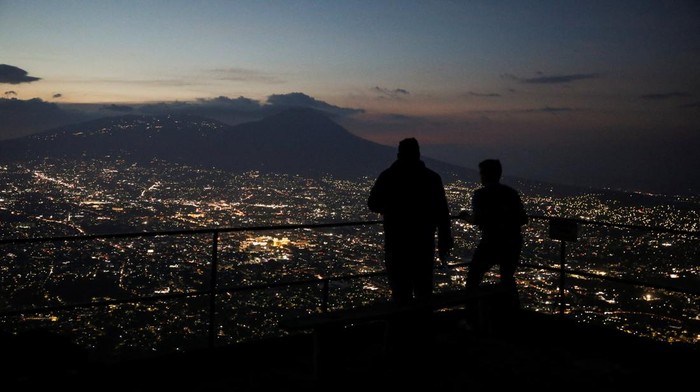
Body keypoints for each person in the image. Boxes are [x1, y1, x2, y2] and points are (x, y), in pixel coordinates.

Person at [368, 137, 454, 304]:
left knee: (400, 292)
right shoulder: (432, 178)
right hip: (424, 243)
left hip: (396, 242)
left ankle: (402, 328)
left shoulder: (388, 176)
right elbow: (443, 213)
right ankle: (423, 327)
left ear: (399, 154)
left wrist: (391, 209)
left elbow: (373, 203)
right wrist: (444, 241)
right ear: (418, 154)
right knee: (424, 290)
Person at [458, 159, 528, 300]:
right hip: (512, 242)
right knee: (506, 279)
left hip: (491, 242)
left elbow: (477, 219)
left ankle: (474, 315)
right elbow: (524, 219)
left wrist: (465, 216)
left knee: (473, 278)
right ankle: (509, 312)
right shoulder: (511, 193)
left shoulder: (480, 194)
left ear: (484, 175)